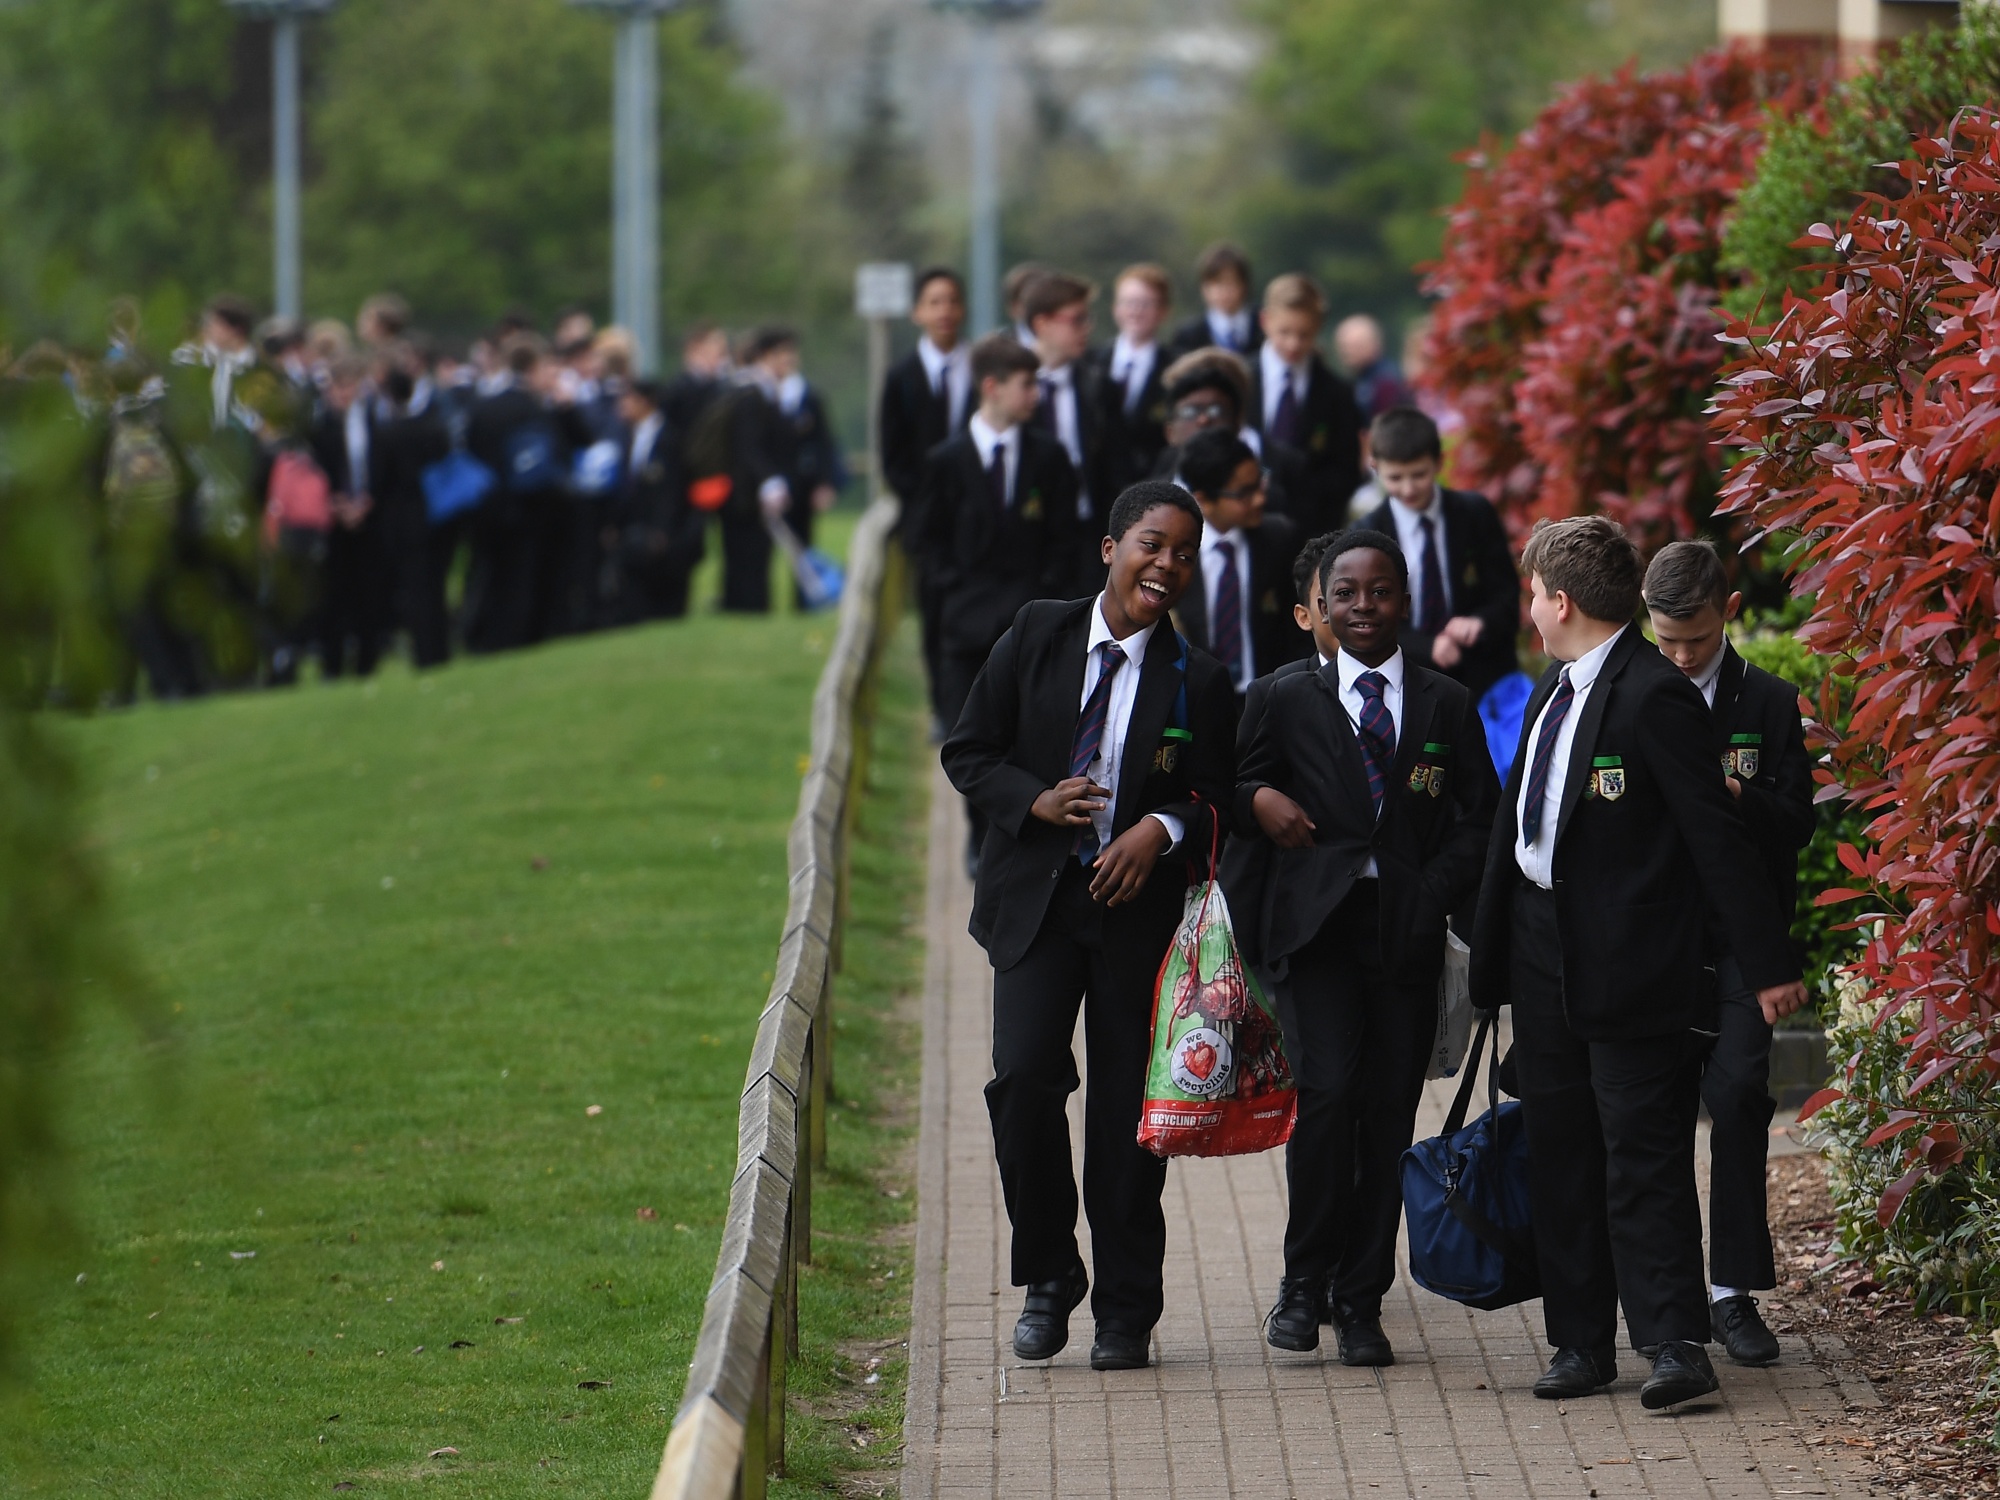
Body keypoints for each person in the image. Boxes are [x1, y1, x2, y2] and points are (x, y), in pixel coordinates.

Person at [1467, 515, 1810, 1410]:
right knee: (1561, 1149)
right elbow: (1518, 829)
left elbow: (1715, 837)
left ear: (1561, 601)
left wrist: (1768, 964)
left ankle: (1675, 1344)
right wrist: (1492, 957)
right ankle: (1580, 1343)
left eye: (1532, 593)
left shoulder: (1654, 694)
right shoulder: (1554, 687)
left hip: (1631, 962)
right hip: (1543, 950)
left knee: (1642, 1152)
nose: (1529, 608)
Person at [940, 480, 1236, 1374]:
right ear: (1111, 549)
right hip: (1037, 903)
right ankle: (1050, 1274)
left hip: (1135, 918)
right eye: (1151, 544)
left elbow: (1217, 797)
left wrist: (1162, 828)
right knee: (1023, 1079)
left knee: (1125, 1114)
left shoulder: (1199, 679)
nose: (1166, 564)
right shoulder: (1037, 633)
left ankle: (1126, 1310)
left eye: (1184, 553)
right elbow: (969, 751)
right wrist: (1033, 800)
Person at [1236, 529, 1498, 1360]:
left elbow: (1480, 819)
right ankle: (1302, 1282)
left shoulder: (1444, 702)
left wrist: (1431, 887)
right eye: (1344, 593)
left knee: (1386, 1111)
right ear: (1320, 603)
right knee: (1327, 1096)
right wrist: (1259, 800)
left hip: (1404, 933)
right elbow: (1238, 788)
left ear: (1404, 599)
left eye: (1378, 591)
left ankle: (1361, 1301)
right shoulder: (1283, 696)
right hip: (1317, 932)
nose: (1361, 607)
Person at [1642, 540, 1815, 1369]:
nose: (1681, 656)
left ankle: (1732, 1289)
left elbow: (1797, 820)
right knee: (1662, 1106)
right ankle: (1673, 1294)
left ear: (1730, 613)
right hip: (1659, 934)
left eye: (1698, 640)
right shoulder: (1634, 693)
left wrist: (1734, 793)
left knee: (1741, 1091)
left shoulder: (1770, 701)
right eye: (1667, 639)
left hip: (1747, 935)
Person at [918, 335, 1080, 870]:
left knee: (1027, 734)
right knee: (973, 736)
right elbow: (927, 543)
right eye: (1026, 384)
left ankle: (1019, 835)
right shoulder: (945, 461)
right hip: (965, 628)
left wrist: (1044, 602)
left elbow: (1063, 540)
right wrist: (957, 594)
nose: (1036, 394)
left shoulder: (1049, 457)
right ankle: (978, 834)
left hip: (1030, 626)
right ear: (992, 386)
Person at [1358, 406, 1520, 704]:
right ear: (1375, 467)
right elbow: (1367, 620)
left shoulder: (1474, 514)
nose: (1408, 488)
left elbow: (1506, 595)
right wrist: (1427, 646)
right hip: (1405, 682)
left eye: (1418, 475)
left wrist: (1479, 622)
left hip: (1481, 680)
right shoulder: (1367, 534)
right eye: (1395, 478)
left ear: (1438, 463)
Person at [880, 267, 973, 731]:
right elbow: (893, 455)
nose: (944, 311)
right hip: (927, 523)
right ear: (918, 312)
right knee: (934, 613)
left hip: (976, 517)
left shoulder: (979, 371)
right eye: (934, 302)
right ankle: (941, 706)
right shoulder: (901, 377)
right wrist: (924, 503)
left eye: (952, 301)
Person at [464, 333, 585, 651]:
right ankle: (524, 636)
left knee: (491, 576)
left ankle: (487, 636)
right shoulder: (535, 409)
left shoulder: (483, 408)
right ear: (533, 367)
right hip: (530, 511)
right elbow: (557, 457)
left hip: (487, 507)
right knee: (524, 579)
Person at [1170, 429, 1305, 696]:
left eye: (1260, 484)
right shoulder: (1174, 553)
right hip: (1198, 700)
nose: (1260, 499)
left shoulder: (1279, 540)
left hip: (1266, 698)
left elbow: (1297, 631)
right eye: (1245, 494)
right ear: (1203, 500)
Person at [1252, 273, 1364, 537]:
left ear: (1318, 328)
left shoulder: (1337, 393)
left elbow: (1346, 471)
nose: (1293, 344)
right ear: (1265, 321)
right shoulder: (1239, 380)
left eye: (1304, 335)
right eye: (1284, 332)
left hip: (1309, 531)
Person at [1019, 272, 1102, 590]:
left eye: (1087, 318)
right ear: (1042, 324)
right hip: (1031, 539)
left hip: (1088, 535)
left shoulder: (1096, 384)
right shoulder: (1012, 387)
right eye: (1076, 319)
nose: (1086, 328)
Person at [370, 360, 454, 668]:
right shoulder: (431, 427)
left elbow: (378, 479)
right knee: (435, 584)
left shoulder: (387, 433)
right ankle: (441, 647)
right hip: (436, 512)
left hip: (402, 519)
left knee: (414, 587)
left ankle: (424, 651)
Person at [310, 356, 391, 677]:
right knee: (333, 592)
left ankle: (366, 659)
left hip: (369, 514)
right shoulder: (320, 425)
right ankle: (332, 661)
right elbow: (313, 469)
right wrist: (336, 502)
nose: (342, 394)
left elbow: (383, 465)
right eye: (337, 388)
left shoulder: (373, 421)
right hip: (332, 517)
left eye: (348, 387)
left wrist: (366, 501)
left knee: (369, 590)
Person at [613, 378, 704, 622]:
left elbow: (673, 491)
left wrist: (663, 531)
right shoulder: (626, 436)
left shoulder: (671, 439)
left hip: (664, 534)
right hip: (635, 530)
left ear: (645, 402)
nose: (621, 405)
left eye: (627, 399)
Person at [1084, 263, 1173, 503]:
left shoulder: (1175, 369)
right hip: (1099, 493)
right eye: (1129, 302)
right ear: (1115, 308)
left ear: (1163, 310)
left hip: (1153, 491)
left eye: (1146, 303)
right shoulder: (1090, 362)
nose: (1136, 311)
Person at [1167, 242, 1261, 359]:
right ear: (1204, 288)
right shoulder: (1188, 336)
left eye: (1231, 282)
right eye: (1217, 283)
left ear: (1244, 285)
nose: (1224, 291)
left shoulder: (1263, 326)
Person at [1334, 314, 1414, 423]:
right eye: (1344, 346)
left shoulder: (1386, 382)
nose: (1348, 352)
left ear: (1375, 344)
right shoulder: (1362, 378)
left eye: (1356, 345)